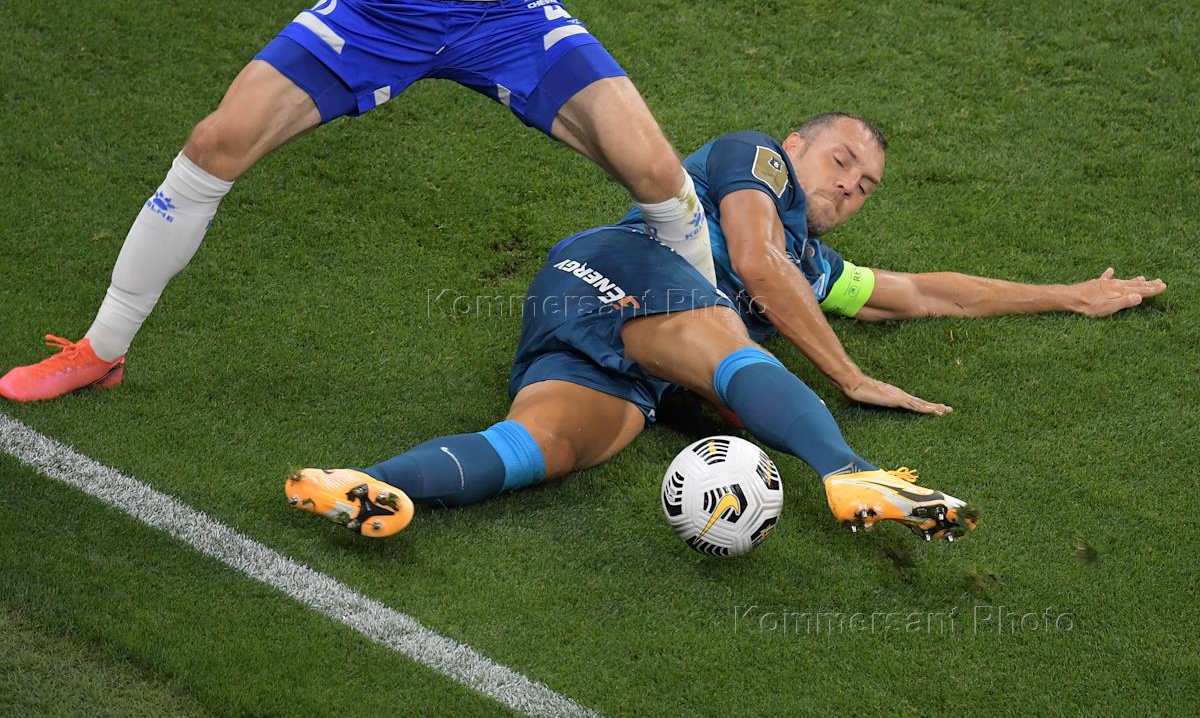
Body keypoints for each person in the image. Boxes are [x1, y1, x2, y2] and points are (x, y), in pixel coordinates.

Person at [284, 113, 1165, 542]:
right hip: (614, 270)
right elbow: (754, 261)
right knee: (723, 339)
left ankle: (372, 483)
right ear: (799, 145)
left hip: (616, 352)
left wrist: (1064, 295)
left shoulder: (815, 265)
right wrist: (850, 377)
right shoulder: (757, 161)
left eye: (864, 187)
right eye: (841, 160)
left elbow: (922, 295)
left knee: (545, 445)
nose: (848, 185)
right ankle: (848, 471)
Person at [0, 0, 715, 402]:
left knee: (657, 171)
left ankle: (717, 360)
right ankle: (102, 349)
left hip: (512, 16)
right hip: (382, 6)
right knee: (217, 141)